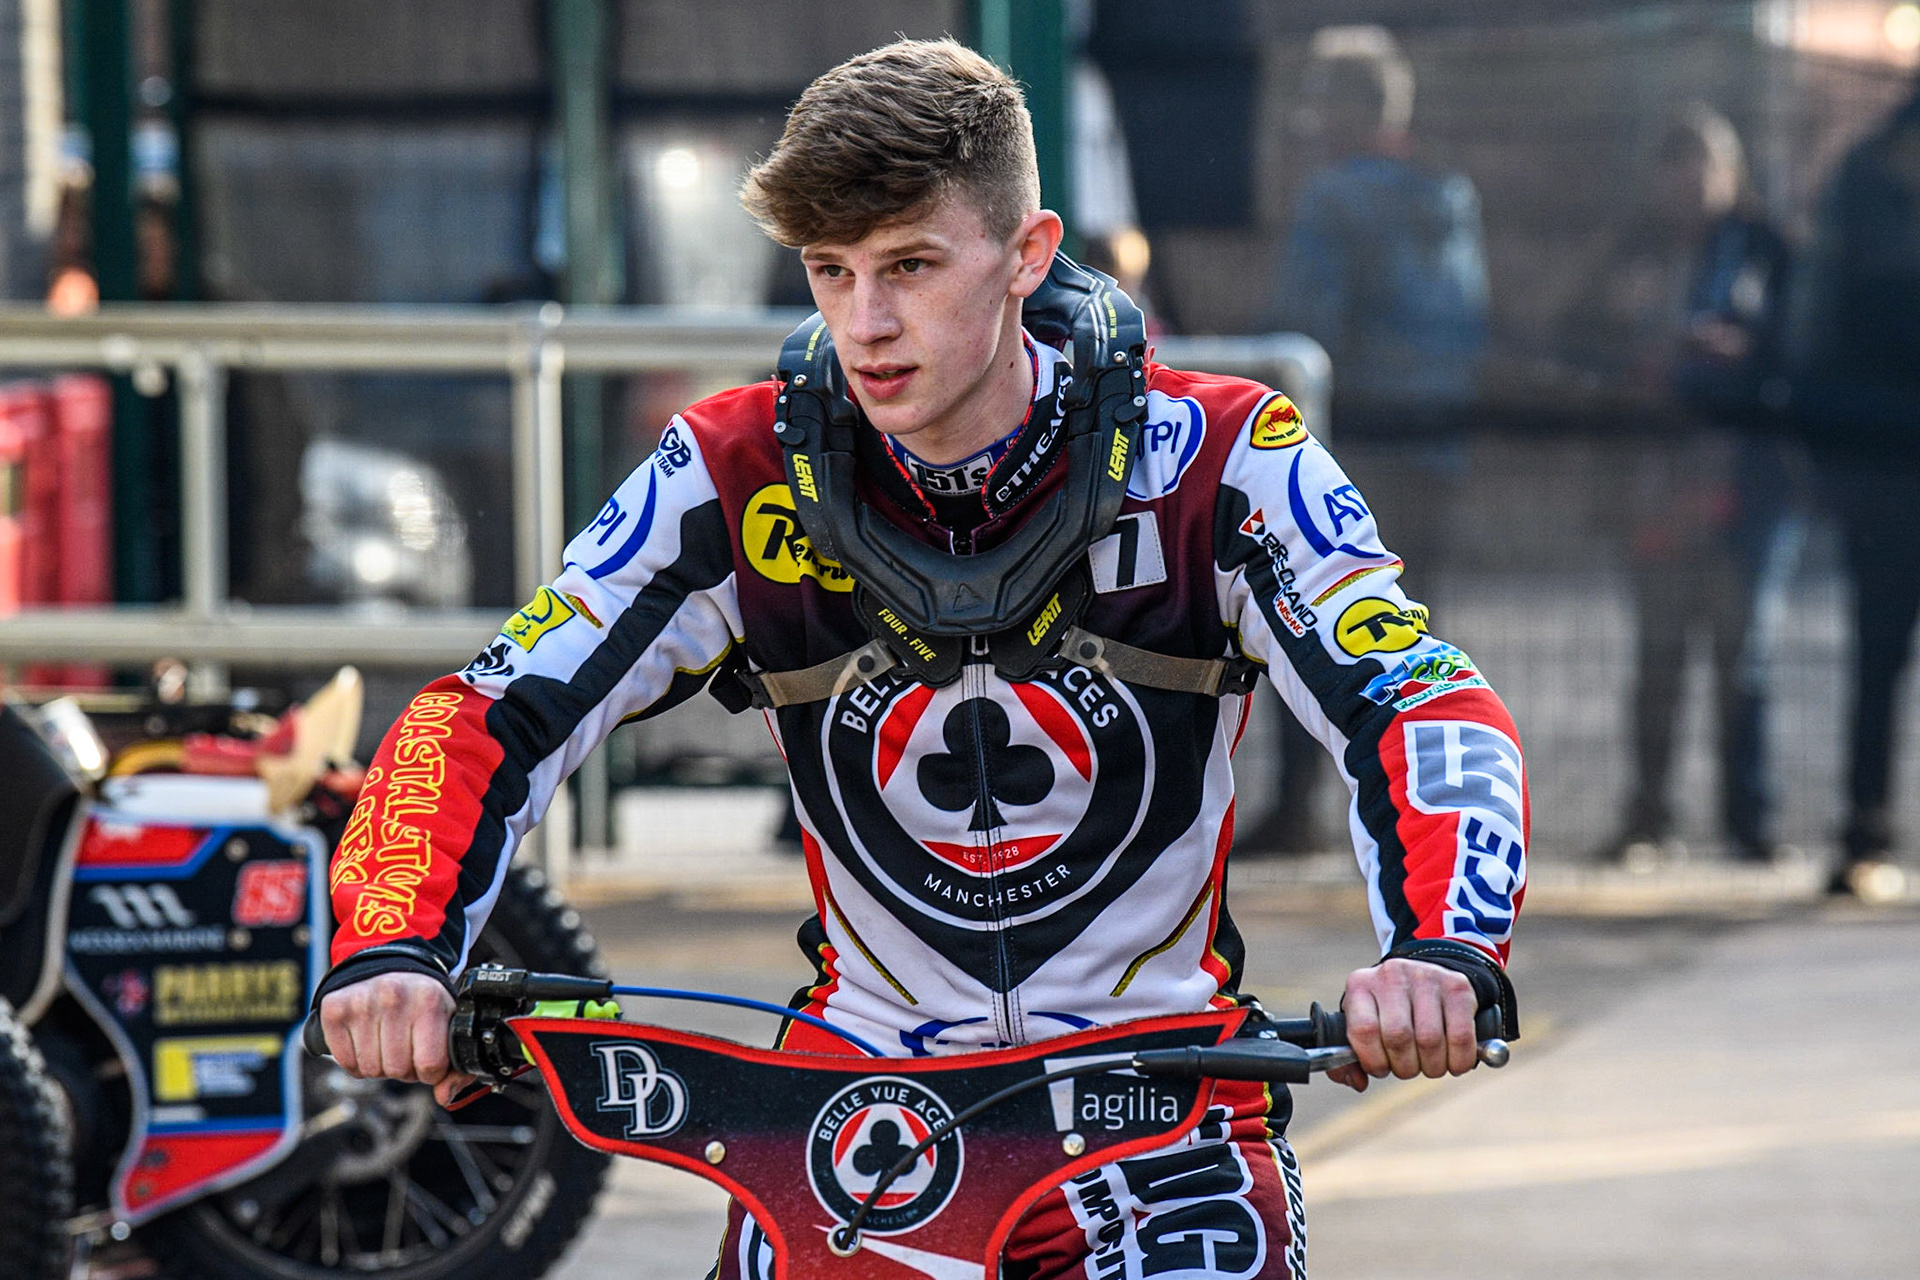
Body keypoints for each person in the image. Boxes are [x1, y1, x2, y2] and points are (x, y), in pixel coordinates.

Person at [313, 39, 1528, 1278]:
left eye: (909, 266)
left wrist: (1442, 946)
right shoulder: (730, 470)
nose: (867, 323)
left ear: (1028, 253)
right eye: (830, 274)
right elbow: (487, 708)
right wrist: (393, 948)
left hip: (1158, 1111)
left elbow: (1420, 699)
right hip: (856, 1122)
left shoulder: (1219, 453)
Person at [1245, 25, 1491, 857]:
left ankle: (1302, 807)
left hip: (1352, 449)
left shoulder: (1331, 199)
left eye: (1321, 99)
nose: (1309, 119)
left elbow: (1303, 323)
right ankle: (1416, 812)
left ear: (1350, 106)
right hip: (1436, 447)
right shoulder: (1450, 196)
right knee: (1411, 639)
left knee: (1312, 622)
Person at [1570, 106, 1803, 869]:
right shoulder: (1629, 253)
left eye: (1702, 168)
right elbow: (1578, 338)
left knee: (1745, 655)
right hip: (1656, 486)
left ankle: (1750, 819)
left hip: (1746, 484)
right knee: (1658, 655)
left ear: (1730, 175)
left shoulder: (1768, 251)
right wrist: (1637, 335)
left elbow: (1803, 349)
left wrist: (1748, 353)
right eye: (1674, 169)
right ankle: (1648, 813)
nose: (1688, 185)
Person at [1786, 85, 1920, 899]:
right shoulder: (1862, 188)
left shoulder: (1863, 181)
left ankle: (1865, 829)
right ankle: (1863, 830)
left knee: (1877, 656)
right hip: (1882, 471)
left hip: (1875, 464)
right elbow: (1817, 328)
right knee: (1878, 655)